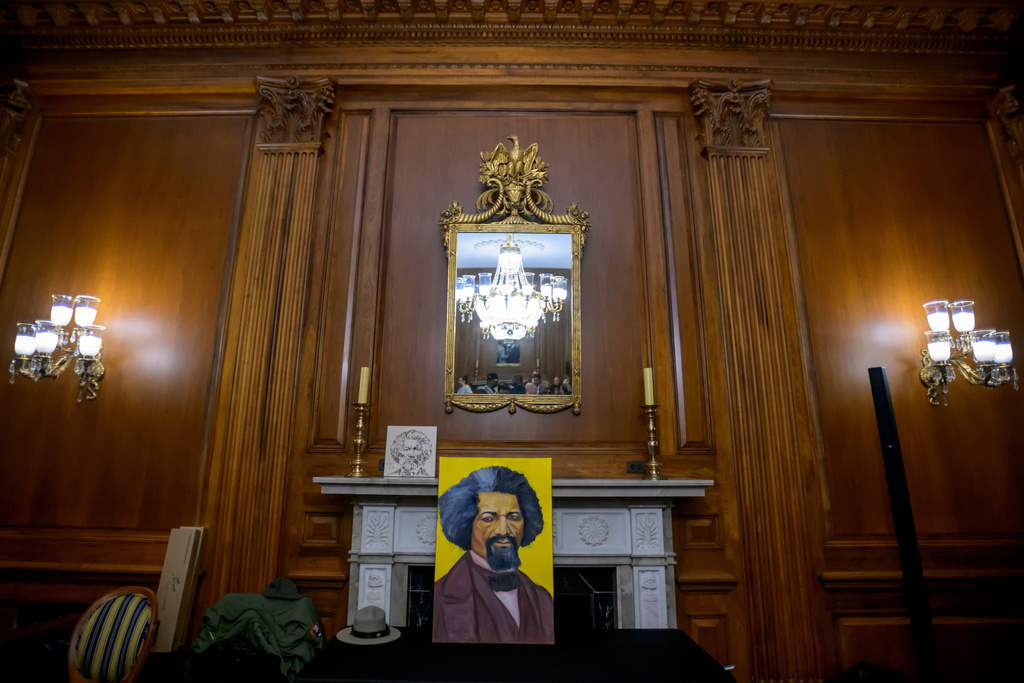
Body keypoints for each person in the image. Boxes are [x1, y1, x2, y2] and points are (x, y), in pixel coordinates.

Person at [433, 466, 554, 644]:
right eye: (489, 518)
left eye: (513, 516)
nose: (504, 530)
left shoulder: (543, 600)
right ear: (466, 525)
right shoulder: (440, 595)